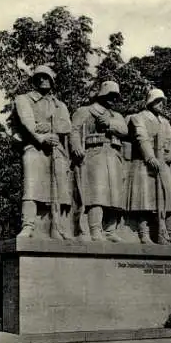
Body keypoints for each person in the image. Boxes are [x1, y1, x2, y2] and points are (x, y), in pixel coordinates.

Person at [14, 65, 72, 239]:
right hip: (34, 147)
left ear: (52, 80)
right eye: (38, 77)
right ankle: (28, 225)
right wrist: (42, 137)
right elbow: (27, 122)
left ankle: (59, 226)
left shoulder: (59, 104)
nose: (42, 80)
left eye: (46, 76)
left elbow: (67, 125)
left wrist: (50, 127)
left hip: (56, 150)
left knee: (60, 187)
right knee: (31, 186)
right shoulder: (24, 99)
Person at [125, 88, 171, 244]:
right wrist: (150, 156)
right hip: (143, 163)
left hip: (162, 164)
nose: (161, 104)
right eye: (158, 101)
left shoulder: (165, 122)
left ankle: (170, 232)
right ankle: (144, 233)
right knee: (144, 200)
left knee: (170, 198)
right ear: (150, 101)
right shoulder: (138, 118)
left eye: (163, 101)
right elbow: (141, 138)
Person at [70, 81, 128, 242]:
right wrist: (76, 147)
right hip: (94, 153)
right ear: (101, 94)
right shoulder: (85, 111)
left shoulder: (116, 116)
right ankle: (95, 228)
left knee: (115, 194)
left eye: (115, 96)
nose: (113, 99)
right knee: (97, 193)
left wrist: (109, 124)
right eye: (110, 95)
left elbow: (124, 130)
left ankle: (110, 229)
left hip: (114, 154)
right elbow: (73, 131)